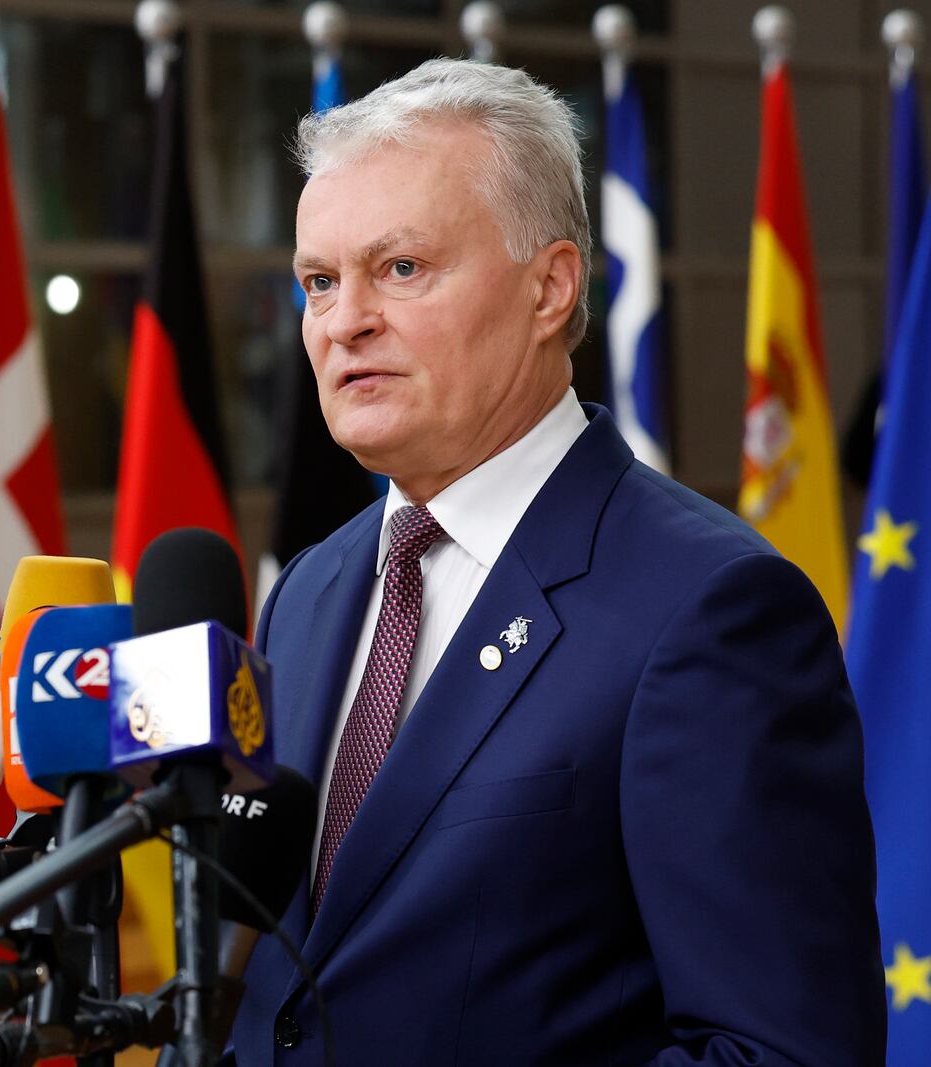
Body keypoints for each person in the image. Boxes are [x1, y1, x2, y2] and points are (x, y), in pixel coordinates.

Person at [237, 58, 884, 1065]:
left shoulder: (711, 609)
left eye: (399, 268)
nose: (342, 320)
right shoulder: (309, 591)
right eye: (318, 281)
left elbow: (780, 1049)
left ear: (551, 287)